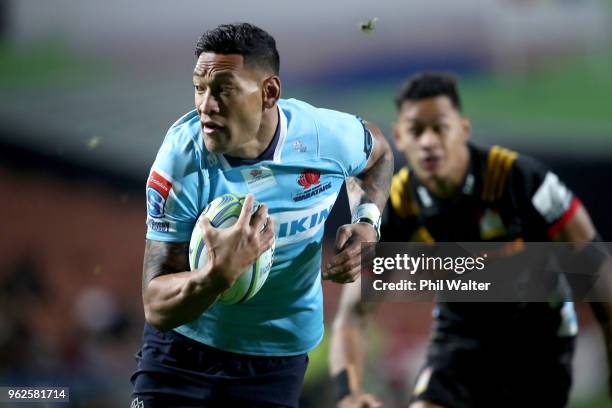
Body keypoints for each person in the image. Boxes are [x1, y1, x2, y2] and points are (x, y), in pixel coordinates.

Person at [131, 23, 393, 408]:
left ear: (269, 92)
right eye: (199, 88)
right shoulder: (180, 161)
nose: (206, 105)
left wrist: (368, 222)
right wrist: (216, 276)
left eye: (223, 89)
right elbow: (155, 303)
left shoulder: (324, 137)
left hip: (275, 360)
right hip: (183, 352)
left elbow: (380, 153)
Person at [329, 72, 612, 408]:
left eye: (440, 128)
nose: (429, 141)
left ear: (463, 128)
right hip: (459, 341)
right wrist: (349, 392)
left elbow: (597, 271)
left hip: (538, 343)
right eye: (417, 131)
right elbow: (355, 311)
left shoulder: (520, 180)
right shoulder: (400, 203)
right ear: (400, 138)